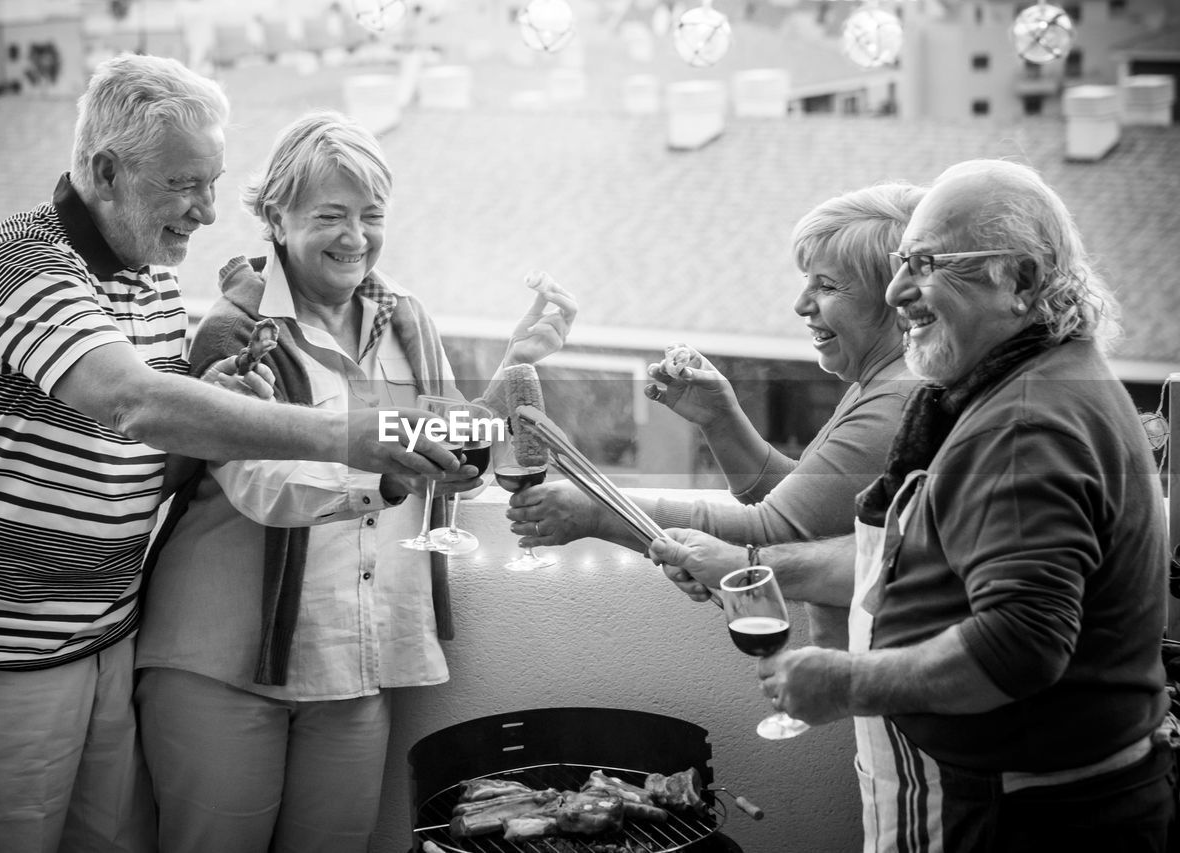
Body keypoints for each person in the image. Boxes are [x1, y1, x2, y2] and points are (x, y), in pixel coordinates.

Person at [0, 55, 463, 853]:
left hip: (105, 637)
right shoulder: (22, 263)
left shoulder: (155, 285)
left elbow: (153, 464)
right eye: (183, 184)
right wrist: (348, 438)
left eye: (211, 182)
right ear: (105, 170)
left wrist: (226, 403)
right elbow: (136, 402)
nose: (204, 212)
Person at [653, 158, 1174, 851]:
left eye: (927, 265)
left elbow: (1021, 644)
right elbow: (916, 553)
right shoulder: (1028, 380)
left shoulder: (1027, 423)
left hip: (1041, 815)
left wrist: (849, 680)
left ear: (1018, 280)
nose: (899, 290)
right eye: (902, 264)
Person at [133, 110, 578, 853]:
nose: (356, 236)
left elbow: (443, 450)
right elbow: (264, 487)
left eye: (372, 215)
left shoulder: (405, 317)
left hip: (355, 661)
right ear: (276, 214)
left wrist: (515, 365)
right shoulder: (237, 332)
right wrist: (388, 475)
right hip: (220, 667)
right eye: (330, 215)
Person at [507, 182, 924, 644]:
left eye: (825, 286)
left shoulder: (896, 403)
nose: (801, 304)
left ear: (899, 297)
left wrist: (601, 512)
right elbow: (810, 509)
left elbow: (772, 535)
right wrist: (721, 419)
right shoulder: (882, 381)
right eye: (806, 282)